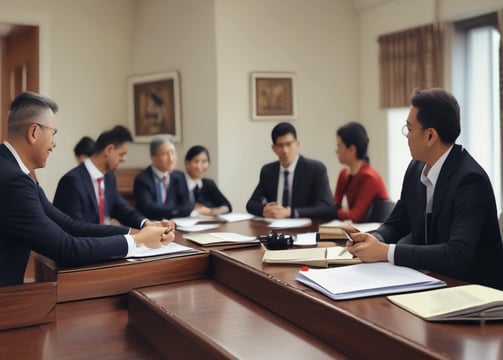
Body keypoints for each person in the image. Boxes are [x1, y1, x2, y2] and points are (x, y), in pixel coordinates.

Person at [0, 91, 174, 286]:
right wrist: (138, 241)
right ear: (33, 132)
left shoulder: (15, 172)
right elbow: (66, 249)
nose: (54, 144)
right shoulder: (13, 180)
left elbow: (69, 225)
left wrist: (136, 232)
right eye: (53, 134)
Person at [347, 88, 503, 290]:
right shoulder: (416, 168)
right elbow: (397, 223)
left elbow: (457, 254)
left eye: (409, 129)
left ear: (430, 136)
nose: (406, 135)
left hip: (474, 291)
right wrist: (374, 239)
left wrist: (386, 252)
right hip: (430, 281)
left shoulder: (470, 180)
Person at [54, 125, 151, 228]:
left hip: (101, 241)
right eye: (122, 154)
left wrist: (146, 223)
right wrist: (125, 234)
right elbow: (76, 228)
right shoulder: (72, 181)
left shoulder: (109, 177)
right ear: (109, 150)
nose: (124, 159)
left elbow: (122, 209)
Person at [246, 122, 335, 219]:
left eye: (289, 144)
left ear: (297, 144)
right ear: (274, 148)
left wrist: (291, 212)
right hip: (275, 229)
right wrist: (264, 210)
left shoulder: (315, 169)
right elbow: (251, 204)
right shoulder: (268, 171)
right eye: (280, 145)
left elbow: (328, 208)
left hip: (305, 229)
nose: (285, 150)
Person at [334, 122, 389, 222]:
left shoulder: (369, 177)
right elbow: (334, 205)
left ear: (351, 150)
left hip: (375, 231)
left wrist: (334, 212)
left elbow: (355, 216)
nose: (336, 151)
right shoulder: (343, 174)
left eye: (339, 146)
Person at [134, 137, 193, 220]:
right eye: (165, 154)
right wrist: (176, 210)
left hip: (175, 224)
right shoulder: (142, 179)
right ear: (153, 158)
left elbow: (187, 206)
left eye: (173, 152)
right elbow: (148, 209)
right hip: (150, 225)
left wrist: (175, 211)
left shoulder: (179, 176)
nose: (171, 158)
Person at [183, 145, 232, 216]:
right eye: (196, 162)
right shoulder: (178, 183)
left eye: (204, 161)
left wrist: (217, 211)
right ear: (187, 163)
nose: (200, 166)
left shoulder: (208, 184)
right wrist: (198, 211)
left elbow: (227, 205)